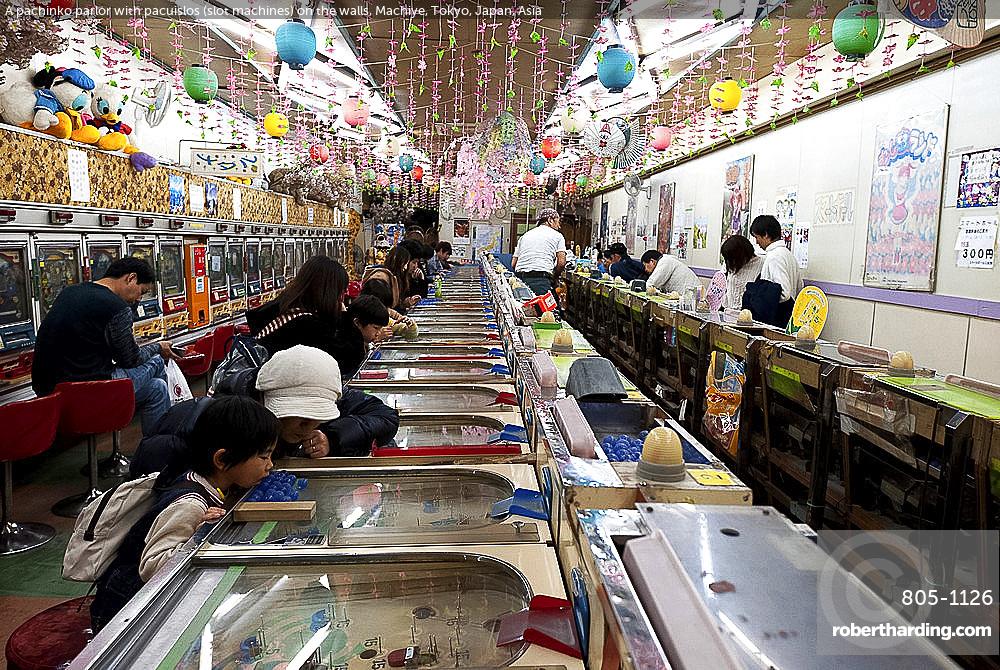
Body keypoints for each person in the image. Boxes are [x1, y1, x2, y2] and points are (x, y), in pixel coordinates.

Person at [91, 395, 279, 631]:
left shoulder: (216, 483)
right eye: (263, 456)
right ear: (222, 459)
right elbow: (151, 567)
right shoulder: (190, 505)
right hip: (126, 614)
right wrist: (197, 538)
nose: (270, 465)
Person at [130, 345, 400, 478]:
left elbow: (385, 417)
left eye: (315, 419)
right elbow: (153, 471)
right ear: (266, 400)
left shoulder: (324, 389)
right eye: (301, 419)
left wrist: (333, 436)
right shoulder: (211, 422)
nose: (307, 429)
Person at [31, 257, 176, 435]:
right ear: (131, 278)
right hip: (90, 392)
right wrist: (159, 347)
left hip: (50, 393)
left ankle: (158, 442)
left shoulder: (70, 291)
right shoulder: (116, 307)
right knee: (158, 360)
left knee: (157, 388)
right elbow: (131, 359)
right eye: (142, 292)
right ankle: (161, 445)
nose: (139, 298)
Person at [245, 255, 348, 359]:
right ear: (329, 292)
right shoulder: (307, 326)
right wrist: (344, 316)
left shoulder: (283, 308)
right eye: (341, 291)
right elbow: (344, 359)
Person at [749, 215, 801, 326]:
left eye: (756, 237)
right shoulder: (788, 254)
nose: (757, 242)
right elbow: (799, 286)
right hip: (790, 316)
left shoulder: (774, 257)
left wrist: (764, 301)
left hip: (777, 318)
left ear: (766, 235)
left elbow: (784, 294)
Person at [512, 208, 567, 297]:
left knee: (522, 304)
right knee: (542, 306)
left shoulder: (524, 236)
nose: (559, 226)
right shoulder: (558, 236)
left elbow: (513, 264)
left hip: (520, 280)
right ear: (550, 220)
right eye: (558, 222)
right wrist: (555, 277)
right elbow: (561, 262)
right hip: (540, 280)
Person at [335, 295, 391, 379]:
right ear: (357, 323)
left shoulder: (353, 338)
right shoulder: (349, 348)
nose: (378, 333)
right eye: (376, 328)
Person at [363, 246, 421, 311]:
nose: (405, 268)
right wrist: (397, 315)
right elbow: (379, 309)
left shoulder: (393, 277)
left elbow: (393, 305)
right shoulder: (380, 279)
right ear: (398, 262)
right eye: (405, 264)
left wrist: (408, 302)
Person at [720, 234, 763, 311]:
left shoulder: (761, 264)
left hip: (747, 313)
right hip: (728, 310)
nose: (731, 262)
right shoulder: (730, 262)